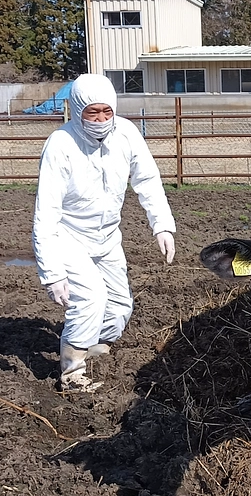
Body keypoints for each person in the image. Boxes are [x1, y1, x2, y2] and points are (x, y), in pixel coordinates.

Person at [32, 74, 176, 392]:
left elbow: (147, 180)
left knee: (120, 306)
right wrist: (52, 273)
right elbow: (46, 213)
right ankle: (71, 374)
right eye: (92, 113)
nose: (100, 120)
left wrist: (162, 225)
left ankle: (93, 346)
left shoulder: (126, 134)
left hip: (108, 235)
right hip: (69, 235)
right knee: (91, 298)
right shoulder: (61, 144)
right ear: (77, 110)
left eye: (106, 111)